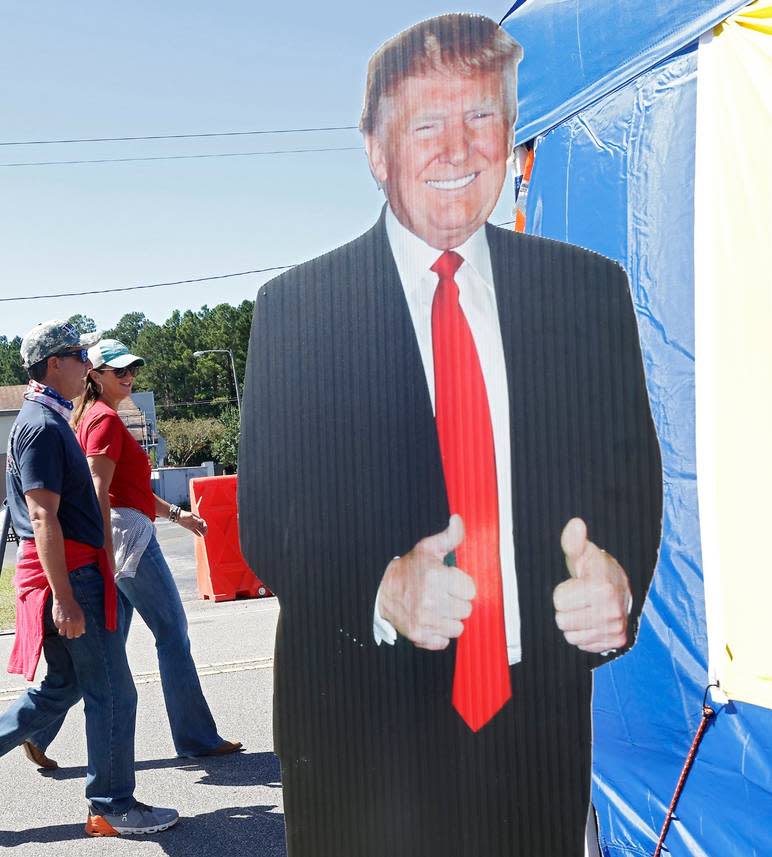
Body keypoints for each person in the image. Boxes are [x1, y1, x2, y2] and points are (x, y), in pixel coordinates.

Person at [237, 14, 662, 857]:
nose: (457, 147)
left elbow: (630, 482)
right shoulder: (297, 314)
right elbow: (270, 524)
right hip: (359, 739)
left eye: (481, 116)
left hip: (534, 735)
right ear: (375, 148)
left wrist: (617, 575)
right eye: (426, 122)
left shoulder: (589, 294)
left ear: (510, 133)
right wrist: (381, 585)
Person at [0, 320, 179, 838]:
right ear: (54, 364)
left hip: (70, 572)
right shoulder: (44, 426)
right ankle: (112, 804)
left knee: (65, 684)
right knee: (115, 690)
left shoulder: (46, 418)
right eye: (78, 356)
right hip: (69, 576)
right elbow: (43, 516)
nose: (86, 366)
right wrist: (66, 598)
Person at [22, 339, 242, 768]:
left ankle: (37, 731)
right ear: (94, 375)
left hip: (119, 538)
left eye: (132, 369)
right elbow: (98, 493)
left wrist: (177, 514)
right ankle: (195, 738)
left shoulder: (87, 418)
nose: (128, 376)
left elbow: (129, 489)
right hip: (128, 541)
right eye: (117, 370)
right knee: (172, 633)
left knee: (107, 650)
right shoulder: (103, 420)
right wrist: (106, 553)